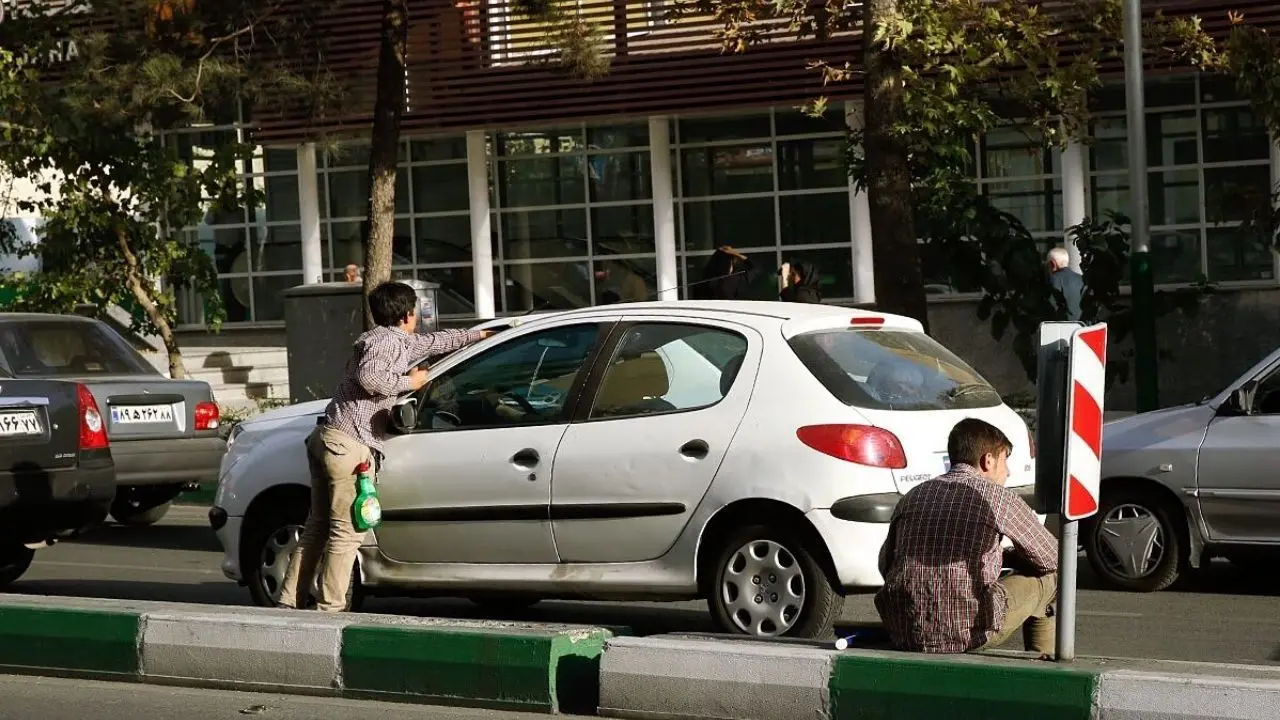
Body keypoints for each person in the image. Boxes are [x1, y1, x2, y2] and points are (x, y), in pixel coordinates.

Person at [277, 281, 492, 612]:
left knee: (317, 527)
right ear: (408, 314)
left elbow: (437, 342)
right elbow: (370, 378)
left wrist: (479, 335)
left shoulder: (389, 339)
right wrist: (412, 382)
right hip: (349, 443)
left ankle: (289, 599)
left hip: (328, 438)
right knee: (346, 534)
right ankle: (329, 609)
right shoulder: (387, 345)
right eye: (416, 311)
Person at [875, 418, 1058, 658]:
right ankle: (1043, 666)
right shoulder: (996, 497)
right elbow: (1051, 557)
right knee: (1050, 578)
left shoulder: (913, 495)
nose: (1008, 472)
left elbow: (885, 563)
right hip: (968, 631)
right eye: (1005, 461)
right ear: (988, 460)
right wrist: (1017, 558)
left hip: (904, 629)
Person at [691, 245, 757, 300]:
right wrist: (736, 254)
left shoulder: (701, 281)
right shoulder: (736, 280)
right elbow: (754, 267)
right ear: (730, 264)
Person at [1046, 247, 1083, 321]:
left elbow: (1050, 306)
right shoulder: (1081, 278)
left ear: (1052, 264)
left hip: (1062, 326)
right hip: (1081, 325)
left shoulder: (1054, 279)